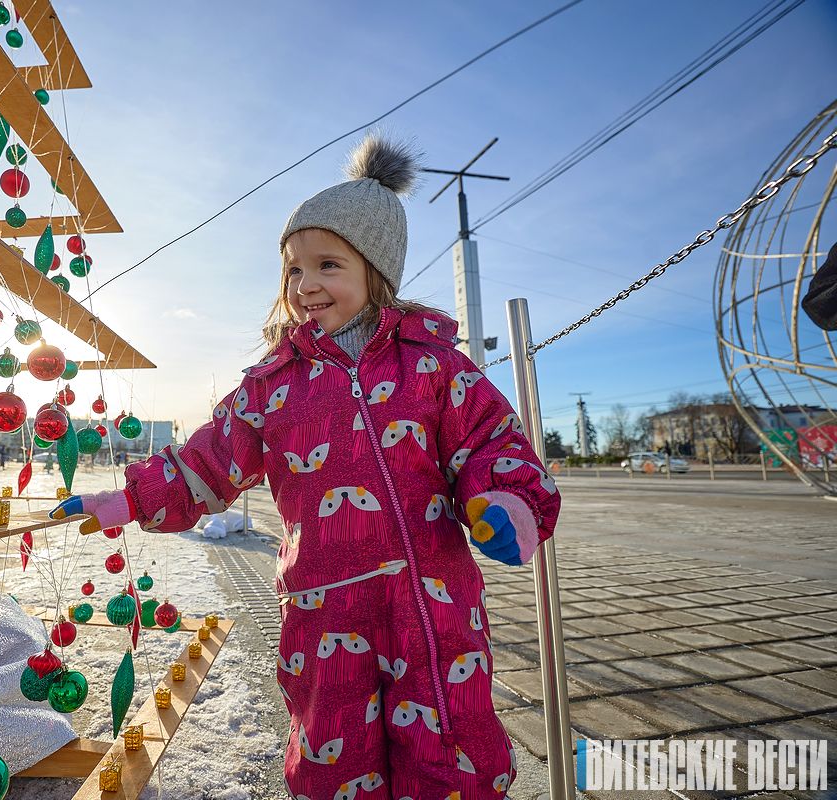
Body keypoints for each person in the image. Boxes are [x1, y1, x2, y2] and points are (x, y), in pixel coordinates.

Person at [51, 134, 560, 799]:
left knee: (449, 748)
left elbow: (490, 438)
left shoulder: (432, 365)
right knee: (332, 756)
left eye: (327, 265)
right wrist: (127, 500)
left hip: (434, 606)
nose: (305, 285)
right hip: (325, 610)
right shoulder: (274, 384)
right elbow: (209, 459)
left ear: (375, 272)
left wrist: (507, 505)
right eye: (293, 270)